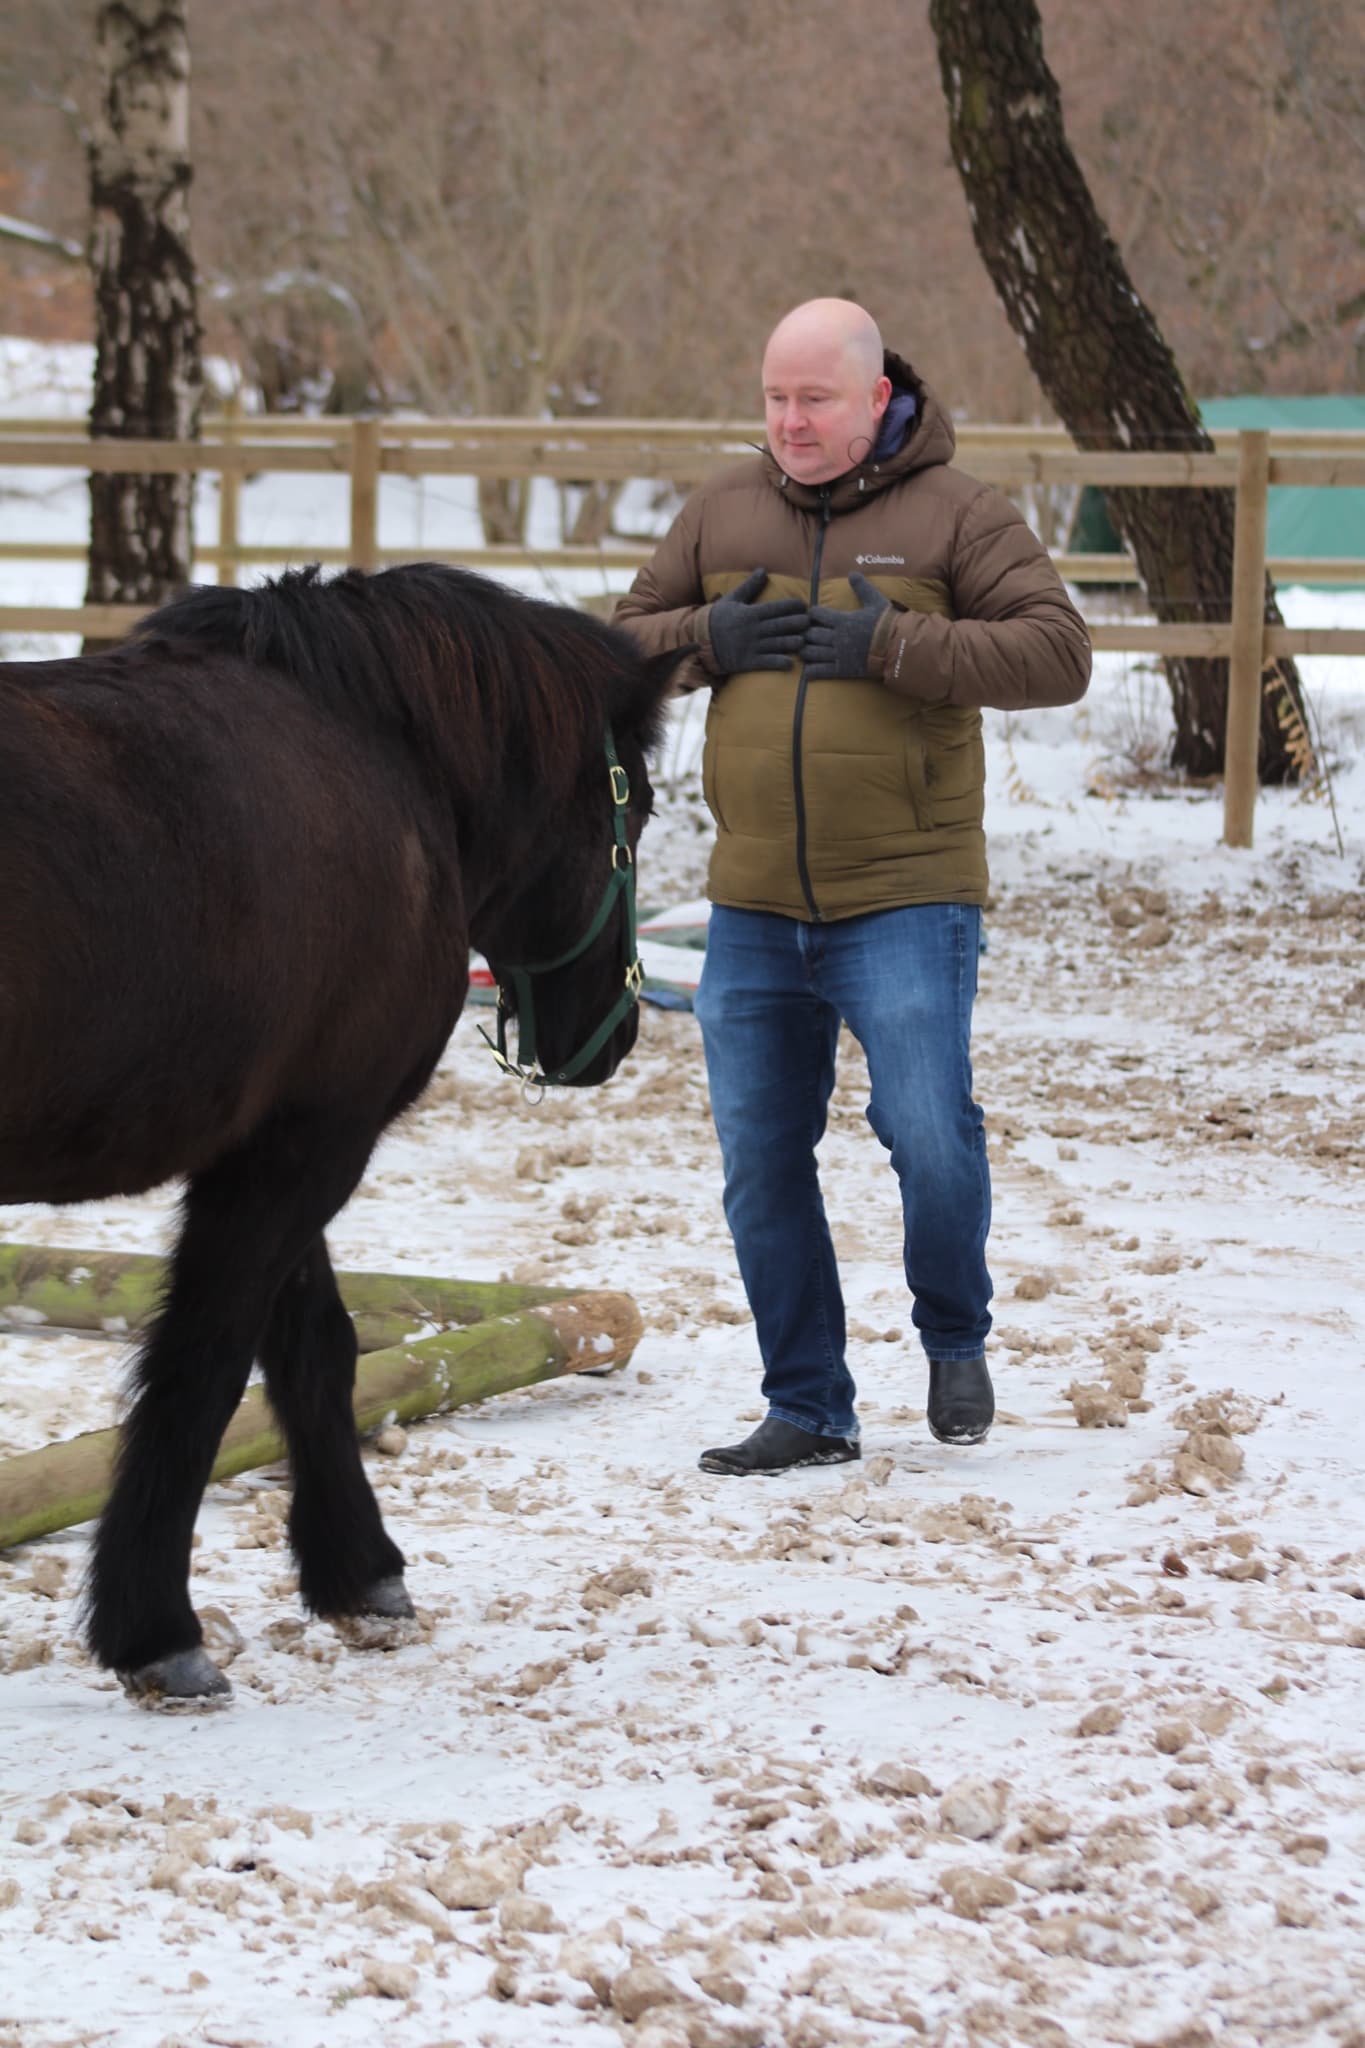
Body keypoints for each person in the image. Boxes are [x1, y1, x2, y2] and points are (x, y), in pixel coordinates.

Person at [614, 299, 1091, 1475]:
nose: (790, 421)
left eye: (814, 399)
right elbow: (618, 644)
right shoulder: (723, 508)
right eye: (774, 398)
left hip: (909, 891)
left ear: (878, 398)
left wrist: (896, 647)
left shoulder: (959, 513)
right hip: (755, 899)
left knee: (928, 1130)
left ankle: (953, 1334)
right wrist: (710, 637)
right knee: (760, 1157)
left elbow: (1058, 651)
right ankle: (809, 1404)